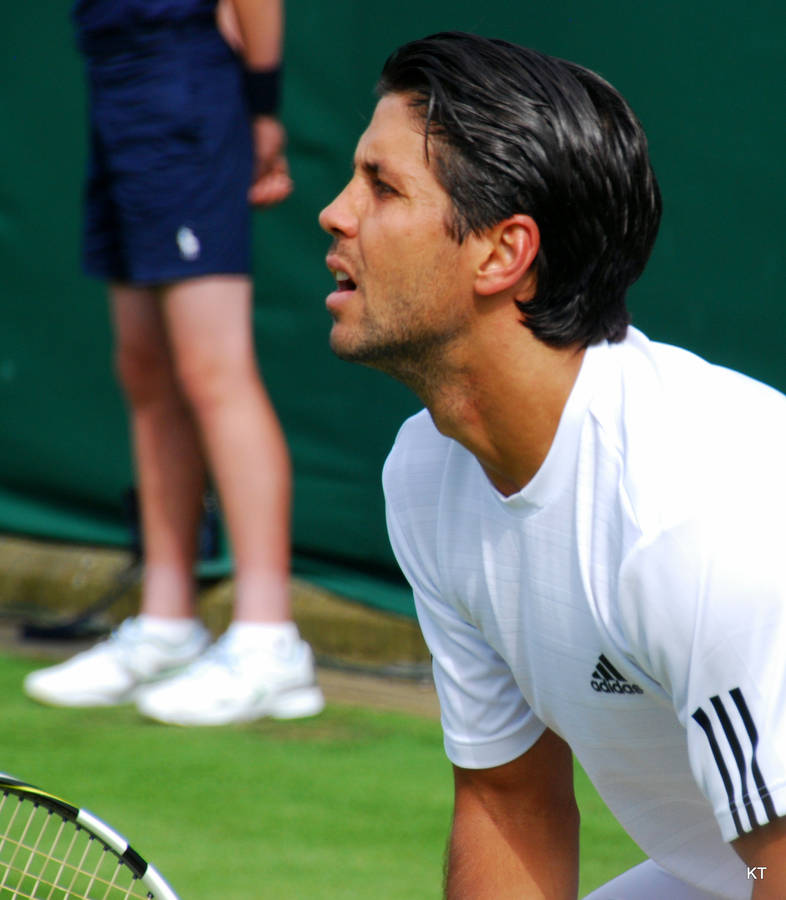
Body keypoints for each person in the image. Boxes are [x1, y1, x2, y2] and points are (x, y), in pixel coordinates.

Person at [318, 31, 786, 899]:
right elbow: (510, 802)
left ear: (503, 253)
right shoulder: (427, 475)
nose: (336, 213)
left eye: (382, 187)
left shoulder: (693, 516)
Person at [24, 0, 324, 726]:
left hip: (184, 80)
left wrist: (261, 105)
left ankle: (268, 637)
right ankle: (166, 622)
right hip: (114, 79)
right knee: (146, 369)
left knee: (212, 369)